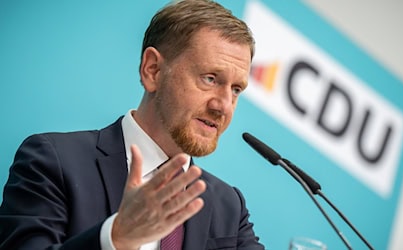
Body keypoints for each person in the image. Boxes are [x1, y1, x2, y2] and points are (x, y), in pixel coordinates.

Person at [0, 0, 265, 249]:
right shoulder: (55, 160)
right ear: (152, 70)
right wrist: (116, 238)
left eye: (236, 89)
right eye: (209, 78)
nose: (224, 106)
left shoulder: (229, 208)